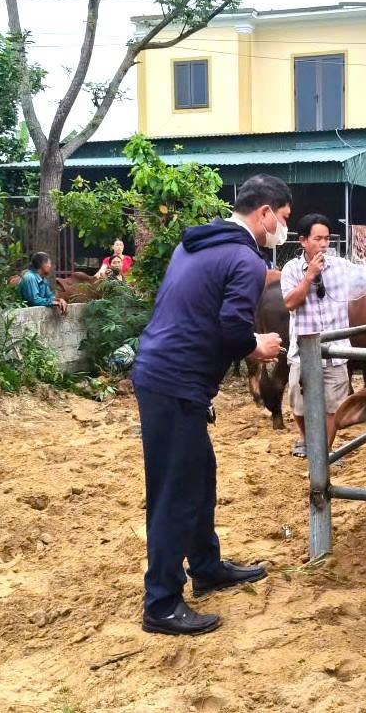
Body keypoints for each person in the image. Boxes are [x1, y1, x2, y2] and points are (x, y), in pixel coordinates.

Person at [130, 175, 290, 637]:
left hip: (169, 375)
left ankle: (205, 565)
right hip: (175, 381)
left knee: (200, 475)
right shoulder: (243, 258)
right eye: (282, 219)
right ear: (263, 213)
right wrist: (256, 346)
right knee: (174, 492)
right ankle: (161, 603)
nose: (282, 229)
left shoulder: (197, 244)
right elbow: (230, 326)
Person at [281, 213, 366, 457]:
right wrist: (309, 276)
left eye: (327, 239)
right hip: (303, 354)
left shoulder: (340, 267)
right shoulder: (291, 269)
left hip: (335, 354)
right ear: (302, 241)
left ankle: (321, 454)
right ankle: (307, 439)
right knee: (299, 407)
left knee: (334, 408)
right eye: (317, 239)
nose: (324, 244)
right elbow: (291, 302)